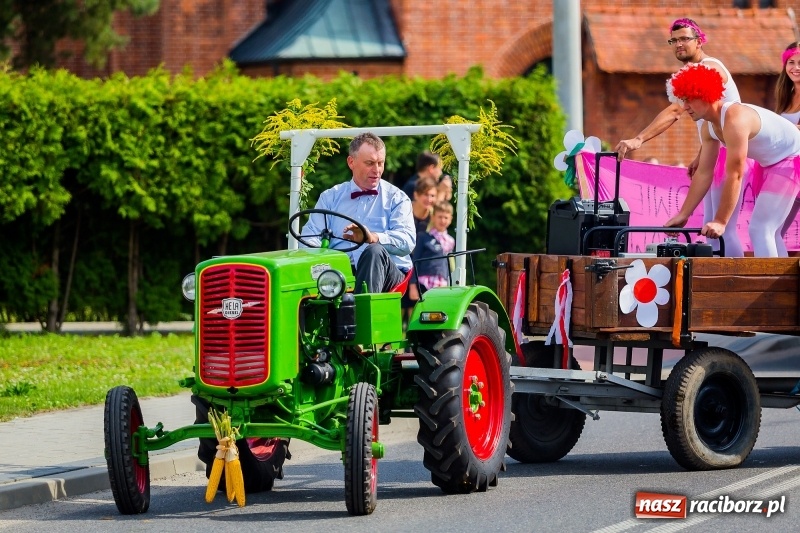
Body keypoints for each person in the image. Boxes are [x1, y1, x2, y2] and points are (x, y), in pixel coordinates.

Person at [615, 18, 746, 257]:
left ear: (699, 41)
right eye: (674, 40)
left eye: (684, 38)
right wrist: (699, 155)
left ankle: (734, 288)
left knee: (724, 229)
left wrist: (638, 140)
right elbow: (711, 122)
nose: (678, 44)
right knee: (710, 228)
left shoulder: (710, 67)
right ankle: (720, 285)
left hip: (731, 152)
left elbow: (676, 111)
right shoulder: (689, 72)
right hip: (715, 149)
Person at [663, 64, 800, 257]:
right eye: (682, 100)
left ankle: (768, 287)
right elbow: (704, 173)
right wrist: (683, 214)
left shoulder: (735, 119)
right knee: (771, 231)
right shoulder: (708, 128)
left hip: (792, 157)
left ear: (705, 94)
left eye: (689, 100)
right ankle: (781, 286)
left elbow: (735, 174)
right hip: (770, 161)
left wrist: (720, 220)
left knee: (762, 228)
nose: (684, 107)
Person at [299, 132, 415, 293]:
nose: (377, 170)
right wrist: (322, 257)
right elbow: (309, 238)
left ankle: (362, 316)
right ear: (351, 162)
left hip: (388, 275)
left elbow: (408, 241)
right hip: (339, 274)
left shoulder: (397, 198)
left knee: (374, 251)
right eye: (370, 163)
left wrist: (373, 237)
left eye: (380, 163)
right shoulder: (330, 198)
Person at [403, 177, 439, 318]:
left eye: (432, 195)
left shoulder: (433, 217)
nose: (429, 199)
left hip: (421, 269)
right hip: (402, 262)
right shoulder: (404, 213)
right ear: (416, 195)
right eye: (425, 194)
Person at [414, 201, 456, 291]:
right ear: (433, 217)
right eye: (440, 217)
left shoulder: (450, 241)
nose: (443, 220)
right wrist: (413, 285)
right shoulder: (423, 237)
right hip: (423, 284)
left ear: (450, 219)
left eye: (446, 218)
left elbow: (451, 264)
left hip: (443, 284)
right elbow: (415, 261)